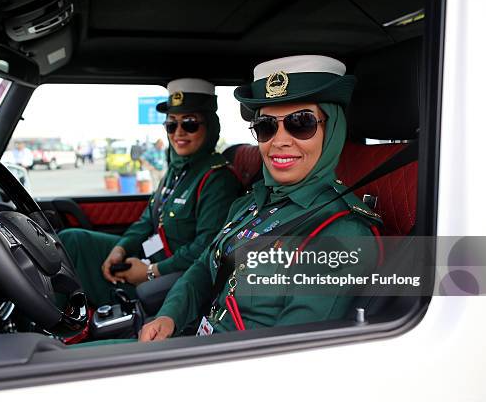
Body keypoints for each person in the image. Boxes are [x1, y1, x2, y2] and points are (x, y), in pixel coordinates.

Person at [140, 55, 382, 341]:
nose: (279, 140)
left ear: (332, 130)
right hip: (195, 341)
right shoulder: (249, 204)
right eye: (267, 125)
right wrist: (170, 315)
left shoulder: (343, 232)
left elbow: (288, 353)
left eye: (301, 123)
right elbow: (204, 267)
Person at [59, 78, 243, 307]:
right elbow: (149, 219)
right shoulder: (177, 170)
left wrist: (150, 271)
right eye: (171, 124)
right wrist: (122, 248)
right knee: (72, 240)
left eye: (190, 124)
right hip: (150, 256)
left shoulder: (217, 179)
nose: (178, 133)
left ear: (210, 127)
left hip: (173, 273)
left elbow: (205, 246)